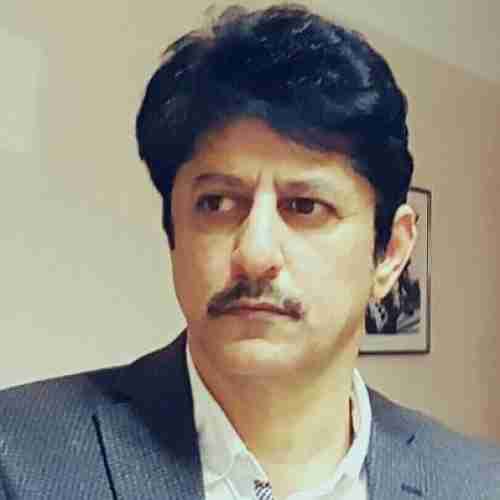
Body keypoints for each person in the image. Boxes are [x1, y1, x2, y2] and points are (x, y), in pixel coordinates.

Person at [1, 4, 499, 499]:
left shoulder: (477, 482)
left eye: (305, 206)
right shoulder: (18, 461)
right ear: (174, 233)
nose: (255, 254)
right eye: (216, 203)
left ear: (389, 253)